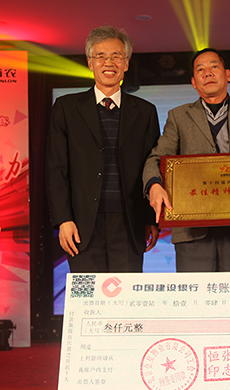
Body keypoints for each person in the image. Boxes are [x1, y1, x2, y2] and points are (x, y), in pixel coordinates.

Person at [143, 48, 230, 272]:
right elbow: (156, 158)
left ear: (228, 74)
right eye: (200, 69)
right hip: (192, 230)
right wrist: (154, 184)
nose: (208, 73)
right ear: (194, 82)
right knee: (195, 294)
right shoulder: (178, 117)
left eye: (214, 66)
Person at [46, 25, 160, 273]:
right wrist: (63, 219)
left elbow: (152, 165)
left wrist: (150, 220)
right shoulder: (66, 108)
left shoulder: (145, 112)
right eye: (101, 56)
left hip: (130, 222)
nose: (109, 63)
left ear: (126, 63)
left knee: (126, 293)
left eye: (116, 56)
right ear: (90, 63)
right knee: (88, 293)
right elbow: (56, 169)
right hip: (82, 223)